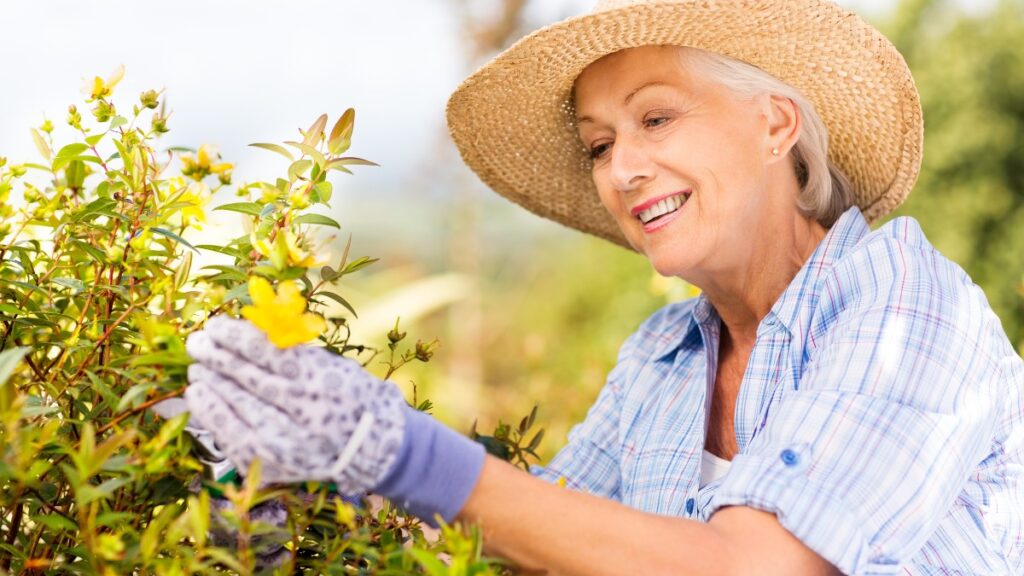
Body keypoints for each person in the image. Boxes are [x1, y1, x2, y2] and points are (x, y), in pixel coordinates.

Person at [182, 0, 1024, 574]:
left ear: (775, 124)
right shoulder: (661, 356)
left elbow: (756, 566)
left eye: (656, 118)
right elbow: (542, 537)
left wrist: (398, 448)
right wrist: (309, 501)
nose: (622, 169)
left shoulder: (907, 305)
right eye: (599, 145)